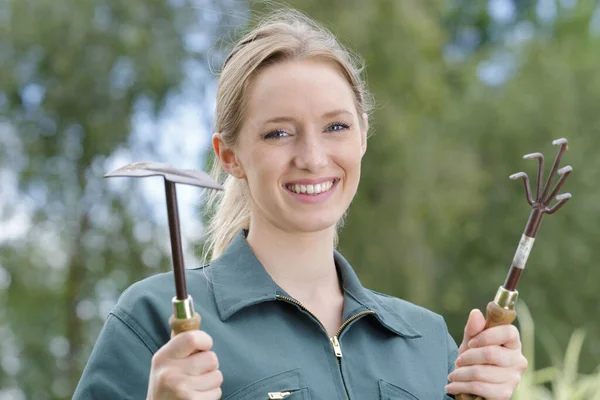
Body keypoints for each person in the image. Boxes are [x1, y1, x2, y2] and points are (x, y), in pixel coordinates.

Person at [73, 8, 527, 400]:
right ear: (229, 155)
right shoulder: (153, 319)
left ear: (364, 135)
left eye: (336, 127)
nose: (312, 158)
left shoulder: (427, 341)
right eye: (278, 133)